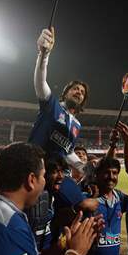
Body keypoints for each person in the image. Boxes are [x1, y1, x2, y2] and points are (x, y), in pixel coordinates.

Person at [0, 142, 96, 255]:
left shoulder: (3, 213)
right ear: (31, 180)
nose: (44, 181)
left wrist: (64, 244)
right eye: (43, 175)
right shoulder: (4, 227)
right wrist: (75, 254)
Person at [28, 27, 89, 173]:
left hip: (58, 175)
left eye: (82, 92)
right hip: (34, 169)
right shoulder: (52, 104)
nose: (78, 93)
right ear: (66, 93)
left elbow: (67, 152)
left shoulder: (77, 125)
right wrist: (44, 54)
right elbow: (40, 82)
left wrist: (83, 168)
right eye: (75, 89)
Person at [83, 157, 128, 255]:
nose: (111, 177)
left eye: (115, 173)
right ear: (97, 174)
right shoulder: (87, 199)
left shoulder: (120, 198)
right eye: (106, 172)